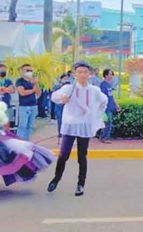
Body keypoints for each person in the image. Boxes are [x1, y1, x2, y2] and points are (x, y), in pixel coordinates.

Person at [47, 61, 107, 197]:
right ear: (75, 74)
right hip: (70, 125)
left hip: (84, 126)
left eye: (85, 72)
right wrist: (62, 98)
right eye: (79, 72)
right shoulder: (69, 88)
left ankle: (81, 184)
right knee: (63, 154)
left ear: (89, 74)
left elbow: (103, 101)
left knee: (82, 156)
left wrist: (95, 112)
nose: (82, 75)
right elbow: (54, 97)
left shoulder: (94, 90)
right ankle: (56, 178)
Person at [15, 64, 42, 141]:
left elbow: (39, 94)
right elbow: (22, 92)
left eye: (31, 70)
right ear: (22, 71)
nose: (29, 72)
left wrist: (36, 83)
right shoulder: (20, 81)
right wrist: (32, 90)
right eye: (27, 70)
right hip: (24, 106)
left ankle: (26, 141)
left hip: (33, 106)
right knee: (22, 126)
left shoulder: (33, 81)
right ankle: (20, 142)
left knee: (29, 126)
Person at [99, 69, 120, 144]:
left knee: (106, 123)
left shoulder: (109, 85)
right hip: (105, 108)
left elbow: (111, 96)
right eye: (110, 74)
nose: (112, 76)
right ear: (106, 75)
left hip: (110, 107)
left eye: (112, 74)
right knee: (108, 122)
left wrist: (116, 104)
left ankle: (102, 137)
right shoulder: (102, 85)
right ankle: (105, 138)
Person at [53, 73, 70, 141]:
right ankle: (60, 136)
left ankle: (67, 136)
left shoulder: (69, 87)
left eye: (66, 78)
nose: (65, 80)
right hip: (59, 106)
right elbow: (54, 97)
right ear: (61, 79)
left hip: (67, 107)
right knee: (60, 121)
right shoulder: (57, 87)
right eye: (64, 79)